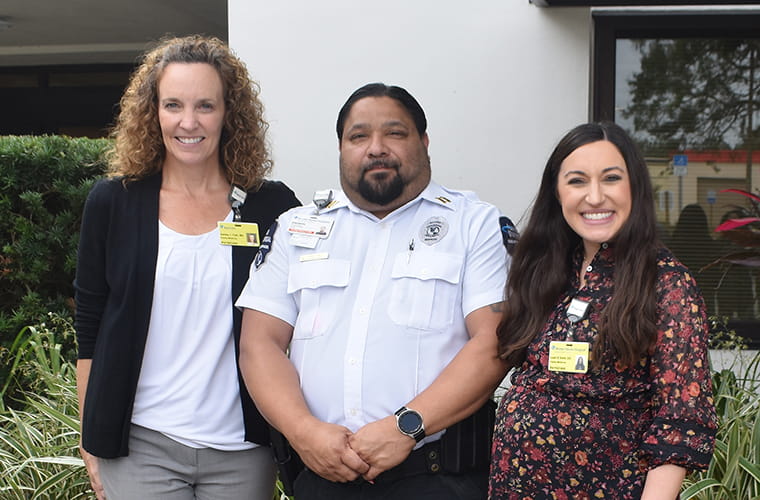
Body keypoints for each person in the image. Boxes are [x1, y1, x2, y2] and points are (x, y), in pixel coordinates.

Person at [236, 82, 511, 499]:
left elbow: (494, 341)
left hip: (435, 478)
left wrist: (406, 426)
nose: (376, 147)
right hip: (323, 472)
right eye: (359, 136)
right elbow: (260, 345)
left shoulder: (474, 225)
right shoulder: (296, 228)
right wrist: (304, 432)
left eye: (395, 133)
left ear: (424, 142)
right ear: (342, 148)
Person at [74, 35, 300, 500]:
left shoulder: (271, 206)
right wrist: (89, 442)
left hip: (242, 449)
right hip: (140, 445)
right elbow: (90, 328)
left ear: (229, 114)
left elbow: (301, 321)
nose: (188, 122)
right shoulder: (112, 203)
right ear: (152, 112)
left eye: (205, 106)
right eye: (173, 105)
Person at [489, 122, 717, 499]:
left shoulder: (667, 284)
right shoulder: (547, 270)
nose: (594, 197)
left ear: (634, 188)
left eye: (611, 178)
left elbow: (680, 421)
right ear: (557, 192)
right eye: (577, 181)